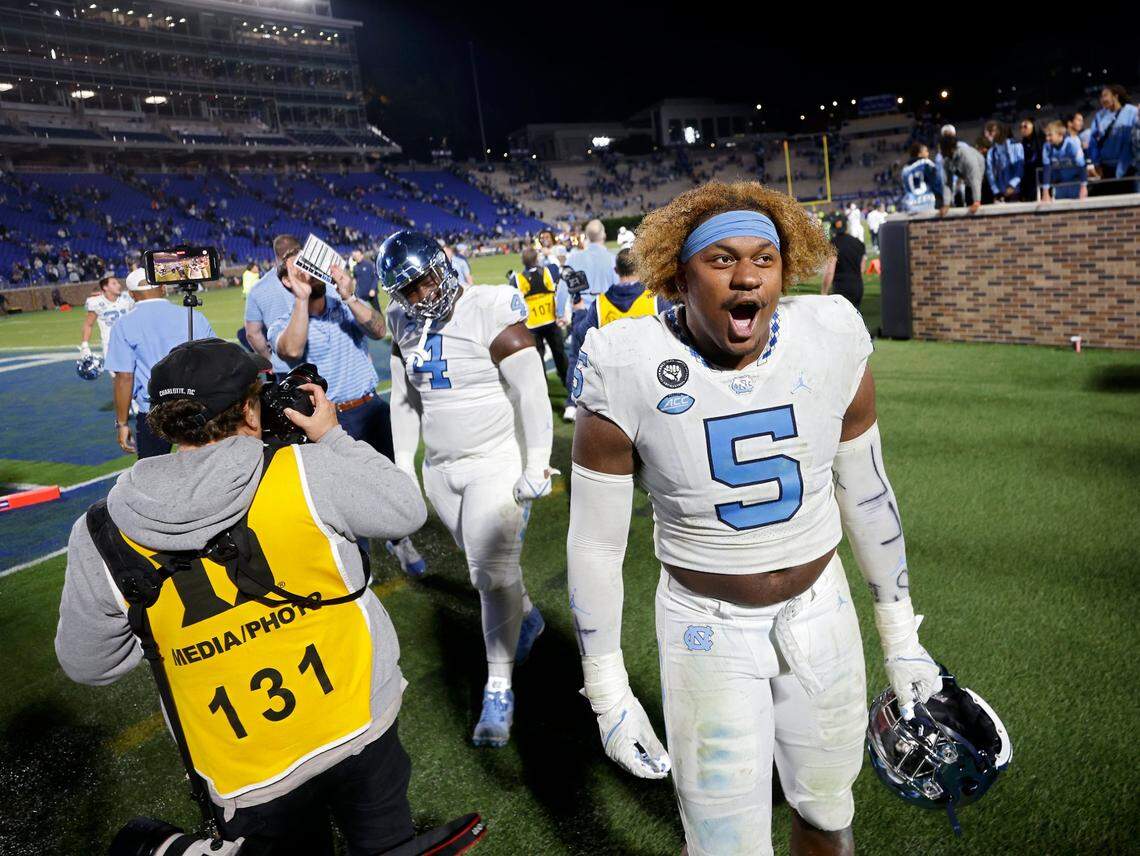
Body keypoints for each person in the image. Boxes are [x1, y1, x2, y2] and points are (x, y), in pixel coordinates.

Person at [567, 181, 942, 856]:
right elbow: (594, 545)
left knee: (828, 811)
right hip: (706, 630)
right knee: (721, 842)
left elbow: (867, 494)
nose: (746, 277)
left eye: (763, 259)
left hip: (821, 611)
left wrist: (899, 633)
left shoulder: (826, 336)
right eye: (721, 259)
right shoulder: (626, 363)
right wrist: (607, 689)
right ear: (679, 276)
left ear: (783, 268)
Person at [56, 338, 428, 854]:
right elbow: (405, 509)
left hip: (241, 767)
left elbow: (87, 662)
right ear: (249, 410)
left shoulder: (101, 531)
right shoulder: (302, 470)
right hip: (356, 722)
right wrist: (333, 438)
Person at [380, 230, 554, 749]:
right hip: (441, 469)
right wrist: (403, 467)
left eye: (423, 281)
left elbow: (531, 388)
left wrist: (539, 460)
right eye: (405, 290)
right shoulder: (402, 322)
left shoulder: (486, 307)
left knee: (487, 574)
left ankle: (498, 688)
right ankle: (529, 618)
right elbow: (404, 401)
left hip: (493, 460)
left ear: (442, 266)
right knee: (491, 570)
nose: (418, 296)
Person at [268, 248, 426, 578]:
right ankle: (360, 564)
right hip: (330, 421)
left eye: (313, 266)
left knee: (388, 478)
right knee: (347, 494)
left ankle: (400, 540)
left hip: (370, 407)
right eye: (299, 271)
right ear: (286, 281)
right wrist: (301, 298)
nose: (310, 273)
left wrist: (350, 295)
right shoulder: (283, 321)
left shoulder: (342, 307)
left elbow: (379, 329)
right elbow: (292, 350)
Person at [106, 268, 215, 458]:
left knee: (152, 476)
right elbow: (213, 360)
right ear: (163, 288)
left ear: (132, 295)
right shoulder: (193, 316)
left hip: (153, 411)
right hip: (194, 406)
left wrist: (122, 423)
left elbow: (124, 378)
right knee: (204, 468)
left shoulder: (123, 325)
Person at [567, 247, 669, 395]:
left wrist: (579, 311)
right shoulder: (656, 300)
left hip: (613, 385)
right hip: (652, 380)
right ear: (640, 268)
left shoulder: (600, 303)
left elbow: (581, 335)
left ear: (616, 270)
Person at [512, 246, 569, 397]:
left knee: (539, 359)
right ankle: (568, 383)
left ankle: (543, 390)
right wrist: (548, 254)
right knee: (559, 354)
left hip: (532, 325)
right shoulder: (548, 272)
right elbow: (557, 266)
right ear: (537, 259)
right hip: (550, 321)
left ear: (523, 262)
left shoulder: (517, 279)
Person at [244, 235, 300, 376]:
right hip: (322, 362)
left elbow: (252, 334)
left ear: (276, 254)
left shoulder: (258, 289)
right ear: (299, 251)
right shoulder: (315, 280)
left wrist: (269, 359)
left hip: (283, 367)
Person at [1087, 84, 1138, 196]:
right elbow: (1093, 142)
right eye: (1101, 97)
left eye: (1105, 95)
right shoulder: (1099, 116)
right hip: (1106, 169)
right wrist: (1096, 163)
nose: (1102, 100)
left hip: (1128, 167)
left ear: (1116, 96)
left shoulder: (1132, 112)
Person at [80, 273, 133, 361]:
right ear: (105, 287)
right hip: (110, 344)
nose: (119, 285)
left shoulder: (127, 298)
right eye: (114, 283)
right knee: (116, 374)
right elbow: (88, 324)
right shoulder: (96, 302)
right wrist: (84, 345)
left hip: (130, 342)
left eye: (118, 283)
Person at [822, 213, 865, 310]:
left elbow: (830, 271)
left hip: (841, 287)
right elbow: (862, 268)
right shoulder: (858, 243)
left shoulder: (833, 243)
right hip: (857, 286)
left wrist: (824, 291)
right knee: (856, 320)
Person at [937, 134, 986, 214]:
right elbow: (947, 183)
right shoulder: (945, 160)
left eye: (941, 149)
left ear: (950, 149)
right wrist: (946, 204)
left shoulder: (966, 155)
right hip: (969, 182)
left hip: (982, 178)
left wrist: (977, 201)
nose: (940, 152)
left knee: (979, 208)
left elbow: (975, 178)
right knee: (969, 207)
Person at [1042, 120, 1088, 200]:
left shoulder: (1072, 144)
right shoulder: (1047, 146)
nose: (1047, 138)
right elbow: (1047, 168)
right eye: (1046, 136)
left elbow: (1082, 166)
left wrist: (1083, 187)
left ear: (1060, 135)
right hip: (1060, 185)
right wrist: (1045, 192)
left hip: (1075, 183)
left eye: (1050, 135)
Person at [983, 121, 1025, 202]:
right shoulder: (991, 152)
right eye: (987, 132)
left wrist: (1012, 185)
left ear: (1001, 131)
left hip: (1016, 192)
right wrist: (996, 191)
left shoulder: (1016, 146)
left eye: (992, 131)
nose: (988, 135)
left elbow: (1020, 168)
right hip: (1000, 194)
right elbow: (990, 173)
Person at [900, 143, 944, 213]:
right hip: (928, 202)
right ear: (919, 154)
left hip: (912, 205)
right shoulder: (926, 163)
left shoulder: (905, 169)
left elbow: (906, 188)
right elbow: (937, 182)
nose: (928, 153)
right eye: (926, 151)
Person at [1018, 118, 1044, 201]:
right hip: (1029, 180)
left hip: (1041, 177)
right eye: (1021, 127)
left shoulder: (1042, 141)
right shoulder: (1023, 143)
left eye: (1025, 126)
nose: (1022, 129)